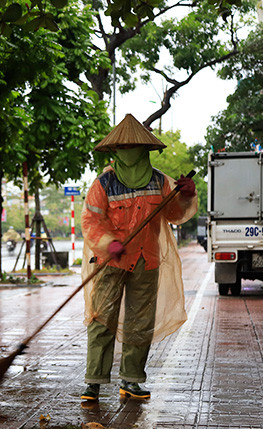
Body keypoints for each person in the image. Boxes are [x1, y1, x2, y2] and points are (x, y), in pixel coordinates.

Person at [80, 114, 197, 401]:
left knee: (140, 321)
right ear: (116, 151)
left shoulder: (159, 182)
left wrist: (185, 195)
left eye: (136, 149)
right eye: (125, 148)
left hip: (147, 260)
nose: (131, 154)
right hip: (112, 261)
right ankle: (94, 381)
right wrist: (109, 243)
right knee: (101, 319)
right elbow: (91, 221)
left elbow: (175, 214)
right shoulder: (104, 183)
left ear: (145, 151)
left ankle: (131, 380)